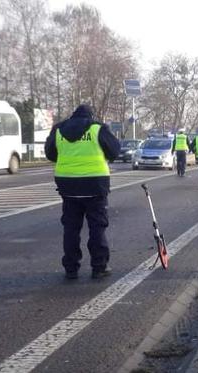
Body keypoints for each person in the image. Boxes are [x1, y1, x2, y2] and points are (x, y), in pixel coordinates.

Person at [44, 104, 120, 280]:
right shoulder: (97, 129)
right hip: (95, 185)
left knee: (71, 228)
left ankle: (71, 268)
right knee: (97, 227)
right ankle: (99, 267)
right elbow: (115, 150)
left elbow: (50, 153)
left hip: (68, 186)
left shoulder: (59, 130)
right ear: (90, 116)